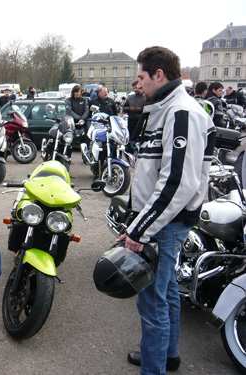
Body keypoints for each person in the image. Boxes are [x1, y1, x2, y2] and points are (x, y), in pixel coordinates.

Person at [117, 46, 215, 374]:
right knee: (167, 288)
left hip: (165, 223)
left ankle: (154, 366)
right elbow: (150, 170)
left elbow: (177, 184)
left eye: (141, 77)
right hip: (161, 220)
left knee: (152, 300)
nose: (137, 84)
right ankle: (167, 355)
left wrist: (138, 230)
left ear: (159, 75)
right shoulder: (163, 108)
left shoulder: (181, 112)